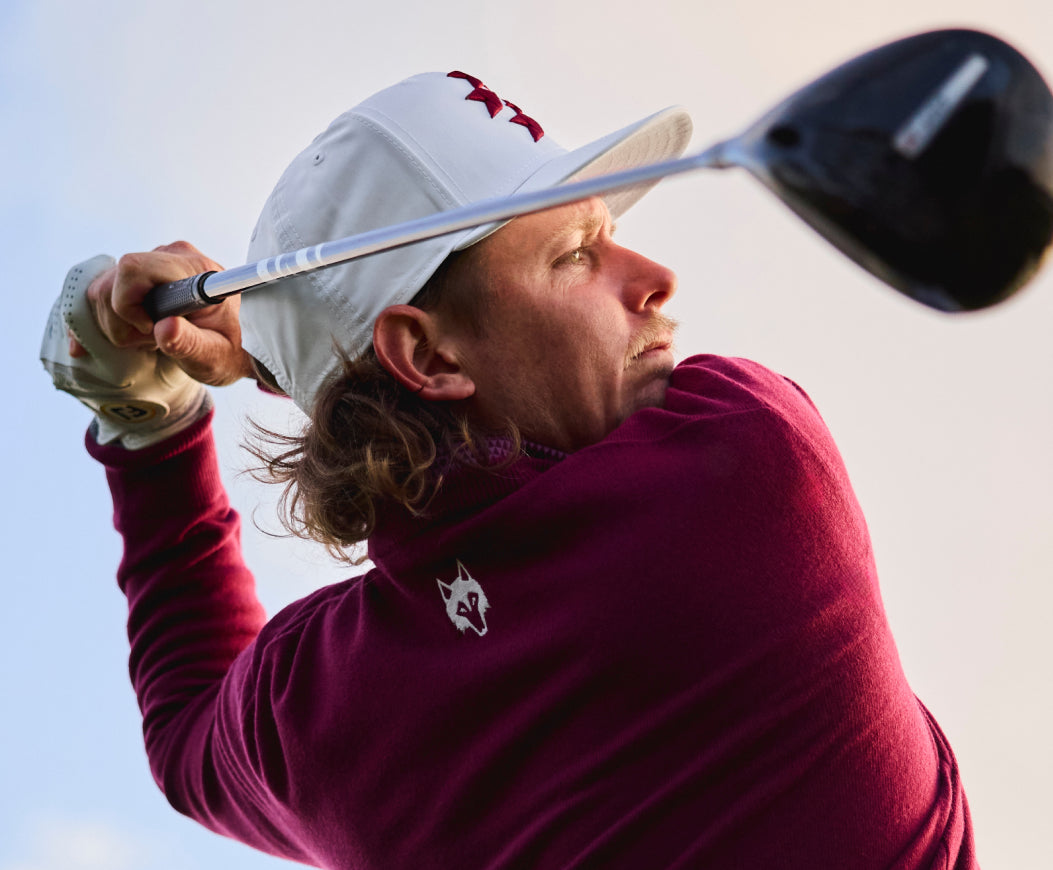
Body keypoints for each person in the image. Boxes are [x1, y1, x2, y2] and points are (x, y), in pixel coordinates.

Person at [42, 71, 977, 869]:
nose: (652, 277)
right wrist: (269, 356)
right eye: (576, 255)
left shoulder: (320, 712)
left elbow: (185, 733)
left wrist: (152, 423)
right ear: (429, 356)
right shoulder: (745, 463)